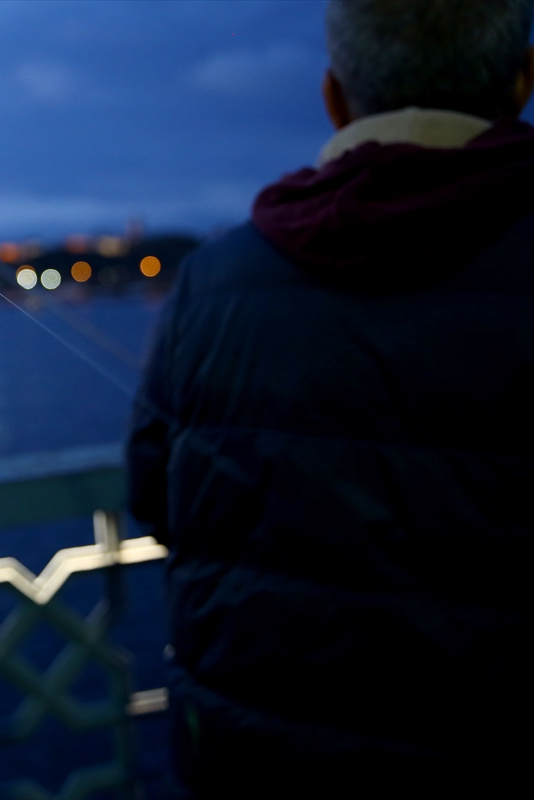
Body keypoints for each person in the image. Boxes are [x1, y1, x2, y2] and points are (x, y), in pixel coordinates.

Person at [126, 1, 534, 796]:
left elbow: (155, 495)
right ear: (524, 82)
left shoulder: (212, 282)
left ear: (334, 98)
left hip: (260, 758)